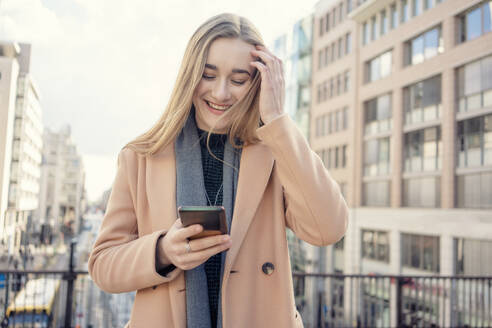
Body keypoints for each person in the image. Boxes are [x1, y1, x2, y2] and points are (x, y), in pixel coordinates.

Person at [88, 13, 348, 328]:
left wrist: (277, 119)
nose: (221, 93)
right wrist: (162, 251)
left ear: (257, 83)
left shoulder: (277, 152)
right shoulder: (141, 157)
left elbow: (328, 228)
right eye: (208, 75)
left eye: (238, 80)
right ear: (189, 76)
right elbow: (103, 265)